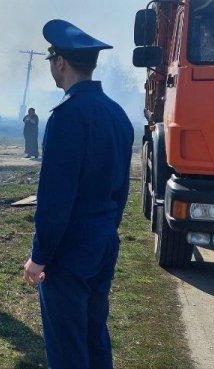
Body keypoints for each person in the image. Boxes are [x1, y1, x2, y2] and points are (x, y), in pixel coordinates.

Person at [22, 19, 134, 369]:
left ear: (60, 63)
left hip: (70, 251)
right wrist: (106, 229)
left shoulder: (67, 116)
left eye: (51, 60)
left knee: (67, 347)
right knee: (94, 334)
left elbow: (56, 197)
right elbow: (122, 189)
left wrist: (40, 256)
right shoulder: (117, 114)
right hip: (103, 241)